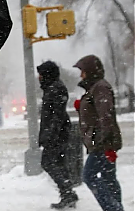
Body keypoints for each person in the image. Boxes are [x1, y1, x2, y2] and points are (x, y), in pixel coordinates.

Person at [73, 55, 123, 211]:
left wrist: (103, 142)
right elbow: (97, 111)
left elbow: (105, 115)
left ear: (90, 71)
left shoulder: (100, 87)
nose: (81, 75)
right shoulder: (95, 88)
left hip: (102, 144)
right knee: (109, 179)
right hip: (103, 142)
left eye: (83, 71)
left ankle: (114, 209)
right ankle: (116, 207)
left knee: (89, 176)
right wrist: (82, 105)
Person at [37, 61, 78, 209]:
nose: (39, 78)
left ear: (47, 74)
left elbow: (56, 116)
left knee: (47, 162)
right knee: (59, 163)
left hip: (56, 135)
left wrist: (50, 135)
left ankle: (67, 192)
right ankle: (68, 193)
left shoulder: (55, 89)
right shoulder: (52, 88)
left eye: (41, 74)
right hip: (57, 133)